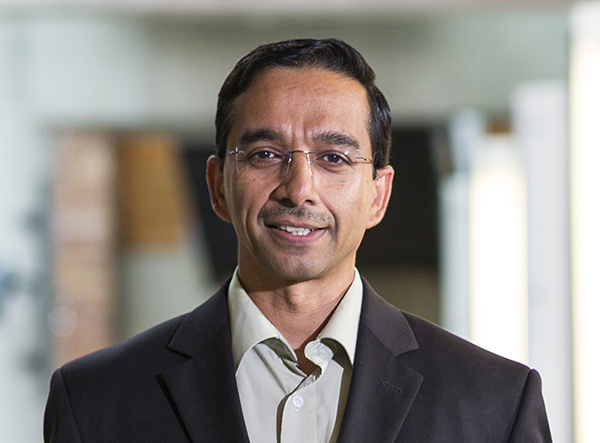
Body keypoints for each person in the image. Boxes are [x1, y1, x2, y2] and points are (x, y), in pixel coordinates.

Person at [44, 38, 552, 442]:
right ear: (218, 186)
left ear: (378, 195)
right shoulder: (96, 401)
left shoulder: (494, 403)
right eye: (266, 154)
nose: (299, 188)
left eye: (333, 158)